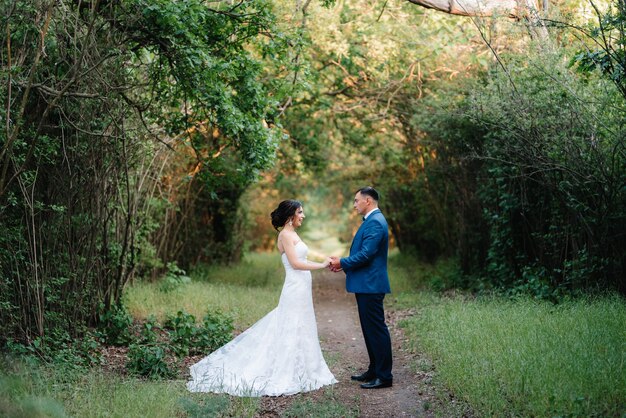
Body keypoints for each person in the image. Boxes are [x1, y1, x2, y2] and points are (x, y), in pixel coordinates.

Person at [187, 199, 337, 396]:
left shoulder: (293, 233)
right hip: (294, 287)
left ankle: (306, 369)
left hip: (302, 287)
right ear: (291, 215)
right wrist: (322, 265)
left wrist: (322, 261)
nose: (303, 216)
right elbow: (296, 263)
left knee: (302, 324)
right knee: (289, 324)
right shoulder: (284, 235)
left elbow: (302, 259)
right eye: (300, 212)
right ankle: (286, 370)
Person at [329, 186, 393, 389]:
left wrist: (342, 262)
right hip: (367, 284)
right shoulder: (371, 221)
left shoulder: (375, 222)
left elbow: (367, 254)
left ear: (368, 201)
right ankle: (374, 370)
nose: (354, 204)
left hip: (371, 285)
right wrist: (345, 264)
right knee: (369, 329)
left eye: (357, 200)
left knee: (376, 329)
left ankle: (384, 376)